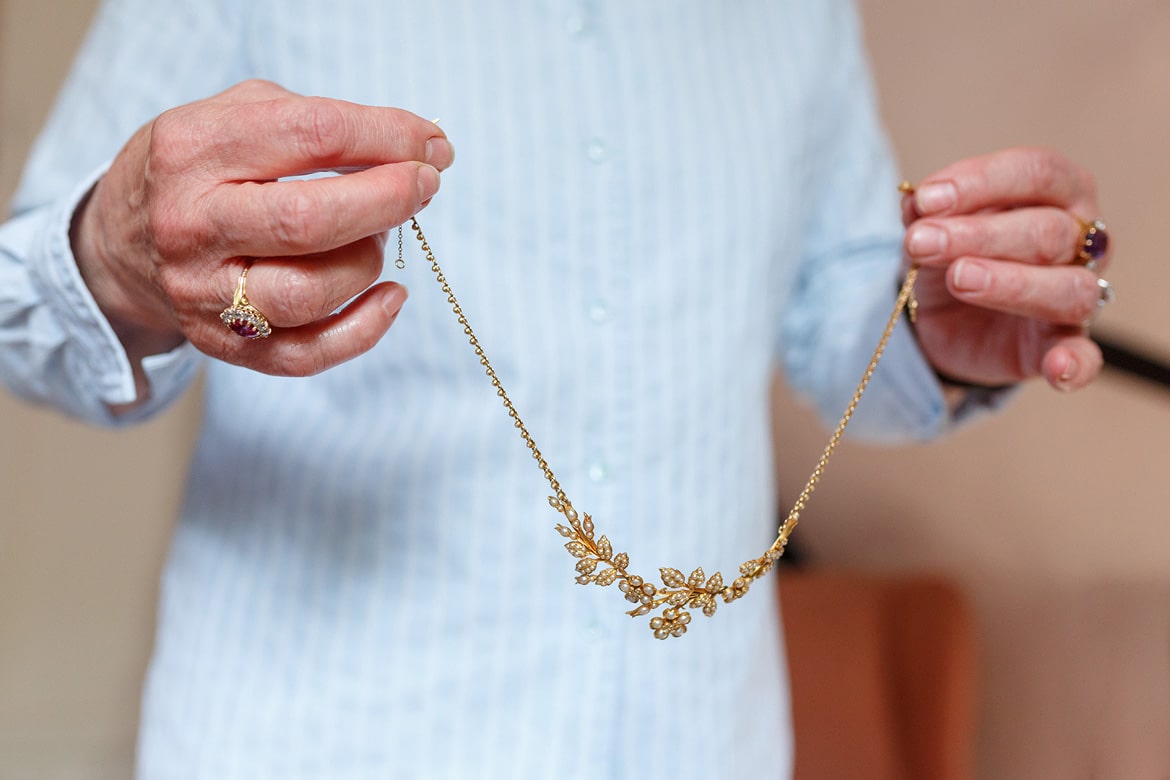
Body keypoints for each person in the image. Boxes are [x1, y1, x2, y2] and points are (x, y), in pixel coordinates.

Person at [0, 0, 1112, 777]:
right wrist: (112, 255)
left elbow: (839, 324)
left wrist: (937, 328)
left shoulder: (795, 11)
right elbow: (21, 308)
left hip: (700, 743)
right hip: (323, 741)